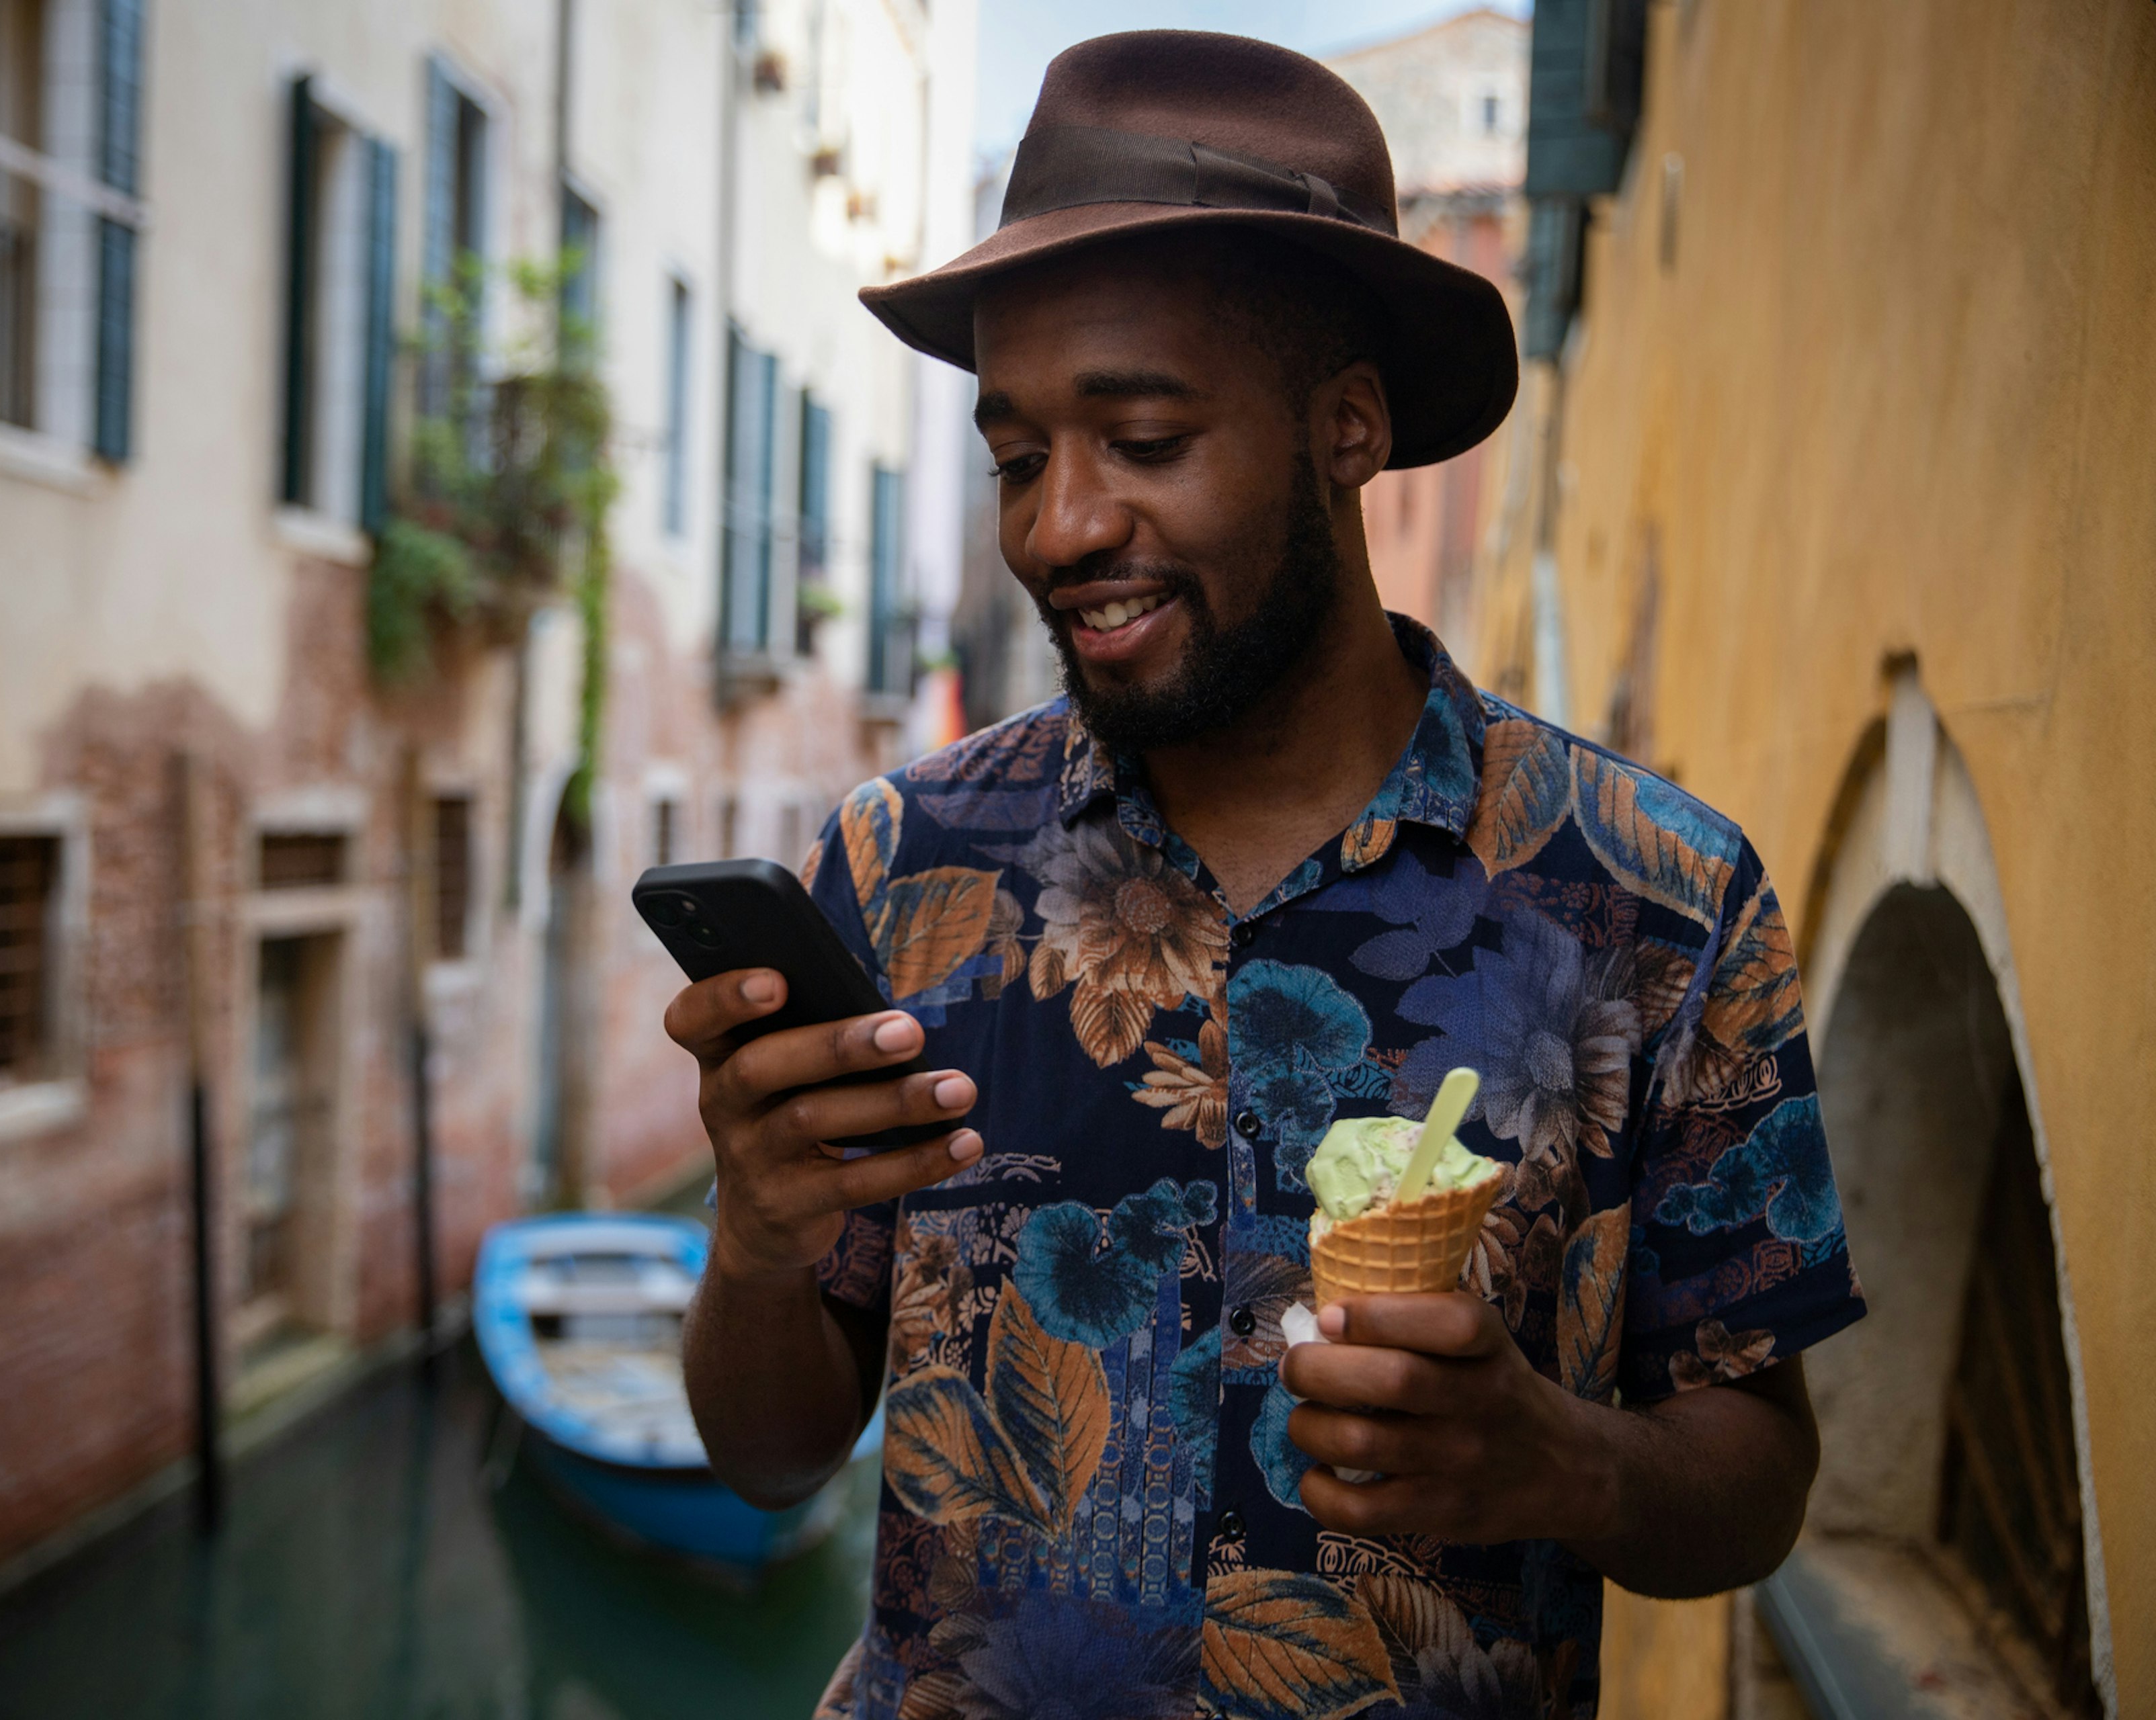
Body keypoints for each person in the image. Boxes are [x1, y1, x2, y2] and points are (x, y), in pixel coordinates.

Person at [672, 32, 1865, 1719]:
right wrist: (757, 1237)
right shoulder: (901, 868)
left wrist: (1556, 1461)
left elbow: (1758, 1473)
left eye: (1144, 438)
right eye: (1018, 458)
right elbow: (765, 1452)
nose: (1060, 527)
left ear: (1348, 430)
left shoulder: (1661, 903)